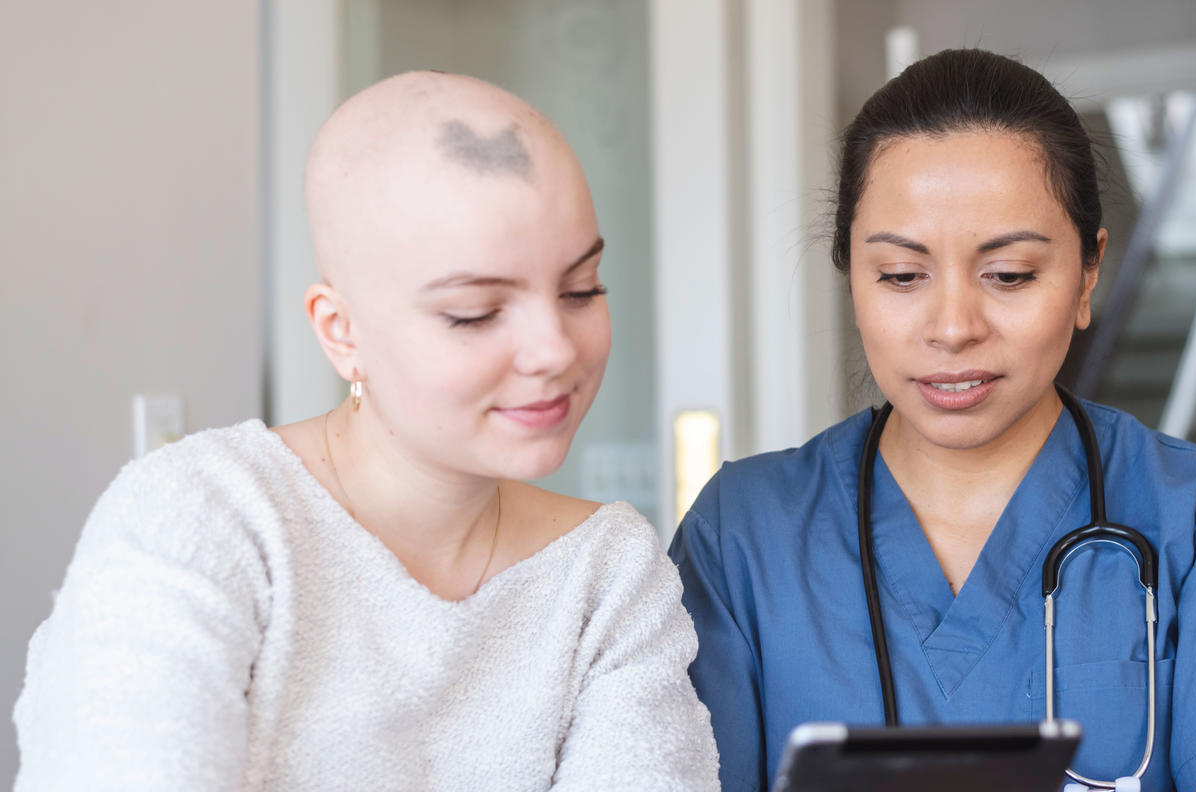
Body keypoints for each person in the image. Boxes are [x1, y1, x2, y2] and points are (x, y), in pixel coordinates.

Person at [669, 49, 1196, 792]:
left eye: (1009, 274)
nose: (953, 327)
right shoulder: (742, 539)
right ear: (851, 275)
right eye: (900, 276)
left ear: (1088, 274)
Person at [14, 71, 719, 791]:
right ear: (341, 331)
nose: (556, 349)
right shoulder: (202, 520)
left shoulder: (607, 571)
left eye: (581, 290)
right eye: (475, 311)